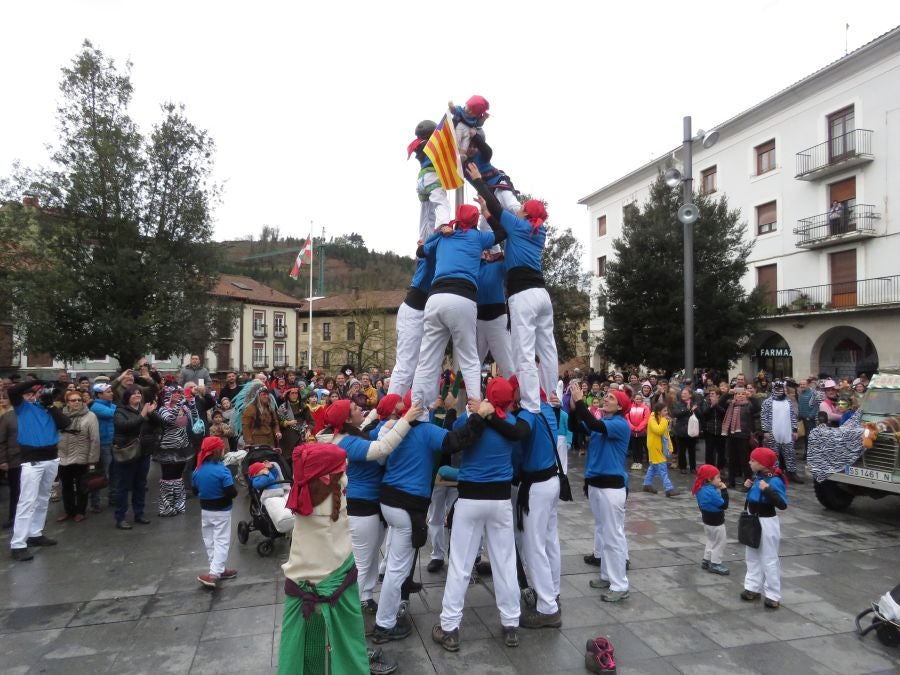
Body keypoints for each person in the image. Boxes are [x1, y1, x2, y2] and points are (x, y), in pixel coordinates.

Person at [372, 397, 491, 643]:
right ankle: (384, 624)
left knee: (397, 562)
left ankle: (390, 613)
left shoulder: (392, 427)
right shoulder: (426, 431)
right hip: (407, 504)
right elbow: (457, 441)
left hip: (389, 500)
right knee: (397, 567)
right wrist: (478, 416)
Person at [433, 377, 522, 652]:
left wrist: (472, 412)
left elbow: (453, 434)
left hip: (470, 498)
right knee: (505, 562)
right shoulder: (511, 425)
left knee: (460, 563)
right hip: (499, 500)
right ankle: (510, 624)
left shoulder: (469, 421)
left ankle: (450, 628)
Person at [317, 397, 420, 617]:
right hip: (362, 507)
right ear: (346, 418)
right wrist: (407, 420)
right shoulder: (347, 442)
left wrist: (381, 415)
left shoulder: (348, 434)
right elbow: (381, 448)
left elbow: (365, 430)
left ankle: (364, 598)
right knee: (362, 563)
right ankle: (347, 614)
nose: (360, 409)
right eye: (355, 408)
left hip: (367, 505)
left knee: (371, 556)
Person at [470, 163, 558, 414]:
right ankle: (552, 395)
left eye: (521, 209)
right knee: (547, 347)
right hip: (542, 294)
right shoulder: (538, 231)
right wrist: (487, 211)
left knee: (523, 351)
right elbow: (497, 213)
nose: (517, 209)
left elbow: (498, 209)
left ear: (525, 215)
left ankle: (531, 405)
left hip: (524, 295)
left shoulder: (519, 226)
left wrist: (479, 181)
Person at [409, 204, 498, 419]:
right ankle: (474, 411)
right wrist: (487, 210)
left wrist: (440, 231)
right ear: (475, 221)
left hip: (435, 298)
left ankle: (416, 411)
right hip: (462, 298)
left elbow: (420, 251)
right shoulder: (478, 238)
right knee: (469, 357)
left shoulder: (442, 236)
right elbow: (502, 233)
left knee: (427, 359)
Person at [8, 380, 72, 561]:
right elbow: (14, 391)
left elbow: (65, 423)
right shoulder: (22, 407)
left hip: (51, 457)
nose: (31, 397)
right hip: (32, 460)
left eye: (33, 394)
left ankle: (35, 533)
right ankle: (18, 544)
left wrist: (50, 405)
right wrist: (37, 381)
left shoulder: (47, 408)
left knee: (43, 498)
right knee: (27, 501)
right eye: (28, 394)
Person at [741, 447, 788, 609]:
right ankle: (752, 587)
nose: (749, 462)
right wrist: (746, 487)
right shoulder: (757, 477)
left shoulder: (773, 480)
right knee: (751, 555)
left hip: (767, 521)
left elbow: (782, 504)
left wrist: (767, 490)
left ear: (762, 464)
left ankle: (773, 594)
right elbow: (752, 496)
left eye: (753, 460)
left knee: (769, 558)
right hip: (753, 519)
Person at [192, 436, 238, 588]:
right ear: (218, 451)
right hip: (222, 511)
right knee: (222, 541)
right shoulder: (222, 471)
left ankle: (217, 568)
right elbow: (231, 493)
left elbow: (194, 490)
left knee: (210, 540)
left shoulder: (197, 470)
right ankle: (214, 574)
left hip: (206, 510)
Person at [112, 385, 157, 529]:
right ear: (127, 397)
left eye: (139, 393)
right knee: (123, 486)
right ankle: (120, 517)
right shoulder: (120, 411)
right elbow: (125, 426)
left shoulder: (144, 409)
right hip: (128, 453)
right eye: (133, 394)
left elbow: (160, 424)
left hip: (143, 453)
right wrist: (142, 415)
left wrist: (152, 414)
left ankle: (139, 513)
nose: (137, 395)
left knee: (140, 485)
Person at [56, 389, 100, 523]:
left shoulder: (90, 416)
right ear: (67, 402)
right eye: (73, 400)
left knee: (82, 486)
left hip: (82, 456)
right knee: (66, 487)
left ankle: (80, 511)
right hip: (63, 456)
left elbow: (94, 439)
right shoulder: (61, 415)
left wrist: (92, 460)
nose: (76, 402)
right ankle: (69, 511)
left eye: (79, 400)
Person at [155, 386, 196, 517]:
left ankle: (178, 504)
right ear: (168, 394)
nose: (178, 394)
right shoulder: (162, 409)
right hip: (168, 448)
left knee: (178, 477)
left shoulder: (183, 407)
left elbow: (194, 416)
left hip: (182, 447)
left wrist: (191, 402)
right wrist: (180, 404)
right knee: (168, 477)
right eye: (175, 392)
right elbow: (170, 419)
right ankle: (166, 507)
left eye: (179, 392)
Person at [408, 119, 451, 242]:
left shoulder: (417, 144)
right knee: (440, 202)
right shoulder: (433, 144)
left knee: (426, 212)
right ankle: (444, 224)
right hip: (432, 176)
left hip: (422, 179)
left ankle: (423, 240)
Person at [761, 380, 802, 483]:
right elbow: (764, 417)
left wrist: (795, 430)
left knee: (790, 454)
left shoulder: (788, 401)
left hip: (787, 432)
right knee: (774, 455)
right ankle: (774, 474)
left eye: (782, 389)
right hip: (773, 433)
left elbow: (793, 416)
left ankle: (792, 473)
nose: (780, 391)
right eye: (778, 389)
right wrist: (765, 430)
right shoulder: (767, 402)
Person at [693, 464, 730, 575]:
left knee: (711, 540)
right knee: (720, 542)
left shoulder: (700, 489)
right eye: (718, 477)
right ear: (709, 479)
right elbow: (724, 505)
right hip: (716, 522)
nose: (720, 480)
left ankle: (707, 559)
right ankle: (715, 563)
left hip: (707, 520)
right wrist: (724, 490)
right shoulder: (711, 492)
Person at [89, 383, 117, 511]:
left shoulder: (111, 405)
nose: (111, 393)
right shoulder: (96, 407)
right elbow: (115, 414)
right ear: (99, 394)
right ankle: (95, 502)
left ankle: (113, 498)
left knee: (114, 472)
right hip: (103, 444)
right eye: (108, 391)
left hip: (113, 442)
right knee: (101, 473)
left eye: (111, 391)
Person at [643, 402, 679, 497]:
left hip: (659, 447)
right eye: (665, 410)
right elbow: (658, 431)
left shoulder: (660, 419)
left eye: (667, 410)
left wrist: (669, 447)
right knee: (662, 468)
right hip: (654, 447)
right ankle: (669, 489)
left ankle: (647, 485)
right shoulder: (652, 419)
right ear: (659, 412)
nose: (667, 412)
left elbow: (665, 435)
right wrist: (664, 421)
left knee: (653, 467)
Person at [248, 461, 294, 534]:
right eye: (263, 469)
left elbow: (275, 476)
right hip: (270, 495)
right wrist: (266, 475)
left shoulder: (266, 474)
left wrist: (272, 469)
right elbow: (263, 482)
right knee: (279, 506)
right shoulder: (256, 479)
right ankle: (284, 520)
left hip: (279, 492)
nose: (266, 469)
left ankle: (292, 514)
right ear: (256, 473)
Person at [722, 388, 754, 491]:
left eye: (742, 394)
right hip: (731, 435)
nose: (740, 396)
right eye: (738, 394)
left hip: (743, 436)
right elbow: (721, 402)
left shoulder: (748, 405)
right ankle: (731, 481)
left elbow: (757, 408)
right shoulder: (731, 404)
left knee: (745, 461)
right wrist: (727, 393)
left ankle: (747, 483)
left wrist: (751, 396)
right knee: (731, 460)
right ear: (734, 396)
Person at [0, 388, 22, 529]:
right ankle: (13, 517)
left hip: (31, 458)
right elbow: (1, 441)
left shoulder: (32, 415)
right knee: (15, 490)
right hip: (14, 460)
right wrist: (3, 460)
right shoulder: (8, 417)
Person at [671, 386, 699, 474]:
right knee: (681, 450)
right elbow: (676, 413)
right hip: (681, 430)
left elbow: (701, 414)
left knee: (692, 450)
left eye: (685, 394)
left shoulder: (695, 403)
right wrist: (687, 410)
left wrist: (696, 410)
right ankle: (682, 467)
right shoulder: (677, 403)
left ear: (690, 395)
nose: (683, 395)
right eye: (682, 393)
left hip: (692, 430)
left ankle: (693, 467)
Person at [699, 388, 727, 468]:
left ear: (718, 395)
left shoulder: (722, 403)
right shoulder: (706, 402)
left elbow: (724, 413)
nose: (710, 395)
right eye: (710, 394)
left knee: (721, 451)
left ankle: (720, 468)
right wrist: (711, 406)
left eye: (712, 394)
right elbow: (704, 413)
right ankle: (709, 468)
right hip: (709, 430)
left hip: (720, 430)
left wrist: (716, 405)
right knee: (709, 451)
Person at [626, 392, 650, 470]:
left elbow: (646, 418)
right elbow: (627, 418)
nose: (638, 400)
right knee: (634, 446)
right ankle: (635, 461)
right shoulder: (630, 407)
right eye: (637, 399)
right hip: (632, 431)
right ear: (634, 399)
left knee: (640, 446)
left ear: (642, 399)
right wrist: (632, 427)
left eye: (640, 399)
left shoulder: (645, 407)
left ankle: (639, 461)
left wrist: (639, 428)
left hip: (642, 431)